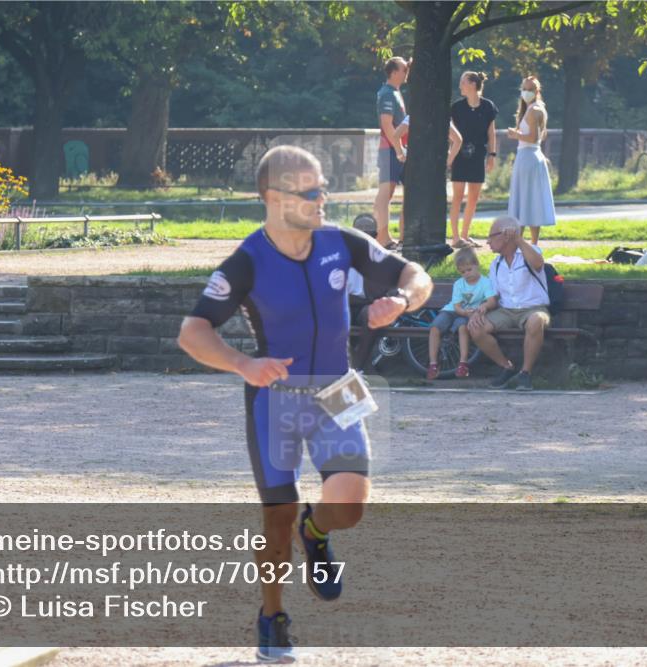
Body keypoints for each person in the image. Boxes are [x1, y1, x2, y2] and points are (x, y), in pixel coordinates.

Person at [177, 146, 433, 663]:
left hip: (338, 391)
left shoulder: (342, 242)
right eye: (311, 192)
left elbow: (416, 275)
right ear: (275, 199)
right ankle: (272, 616)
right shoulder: (247, 261)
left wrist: (401, 300)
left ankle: (314, 532)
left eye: (324, 188)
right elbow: (192, 331)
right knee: (276, 518)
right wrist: (243, 364)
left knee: (351, 506)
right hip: (275, 401)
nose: (324, 199)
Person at [466, 216, 550, 392]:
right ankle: (507, 367)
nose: (488, 242)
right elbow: (494, 296)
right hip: (506, 311)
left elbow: (538, 263)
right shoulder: (496, 264)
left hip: (533, 309)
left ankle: (525, 374)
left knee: (536, 321)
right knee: (475, 328)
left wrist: (518, 239)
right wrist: (482, 309)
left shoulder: (530, 252)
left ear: (506, 236)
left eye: (491, 236)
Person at [426, 247, 496, 381]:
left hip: (470, 315)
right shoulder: (459, 284)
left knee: (463, 328)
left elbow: (492, 301)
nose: (466, 274)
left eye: (469, 269)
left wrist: (484, 306)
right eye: (462, 272)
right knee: (435, 328)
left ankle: (463, 364)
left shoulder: (485, 282)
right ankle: (433, 364)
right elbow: (456, 306)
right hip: (452, 311)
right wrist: (464, 312)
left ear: (477, 265)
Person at [449, 71, 498, 249]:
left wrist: (492, 155)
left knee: (473, 198)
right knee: (457, 196)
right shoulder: (456, 107)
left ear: (472, 84)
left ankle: (465, 235)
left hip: (478, 155)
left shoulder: (488, 107)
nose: (460, 86)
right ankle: (455, 238)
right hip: (460, 154)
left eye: (463, 82)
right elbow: (449, 132)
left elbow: (491, 133)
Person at [507, 76, 556, 245]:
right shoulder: (532, 108)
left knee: (526, 201)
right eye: (524, 88)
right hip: (528, 156)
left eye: (530, 89)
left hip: (529, 156)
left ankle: (528, 244)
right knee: (528, 200)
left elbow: (533, 137)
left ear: (537, 91)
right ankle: (527, 243)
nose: (526, 92)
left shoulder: (534, 109)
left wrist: (516, 134)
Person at [373, 56, 410, 249]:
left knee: (388, 193)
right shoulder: (388, 94)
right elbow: (387, 124)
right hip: (390, 150)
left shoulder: (395, 92)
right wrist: (399, 149)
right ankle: (381, 237)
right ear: (394, 72)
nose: (407, 73)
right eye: (404, 69)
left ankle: (388, 236)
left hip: (395, 150)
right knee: (385, 193)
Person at [393, 114, 463, 186]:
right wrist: (447, 162)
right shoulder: (442, 117)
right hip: (436, 166)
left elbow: (396, 136)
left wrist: (400, 155)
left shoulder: (414, 115)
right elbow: (458, 140)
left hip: (414, 165)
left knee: (413, 195)